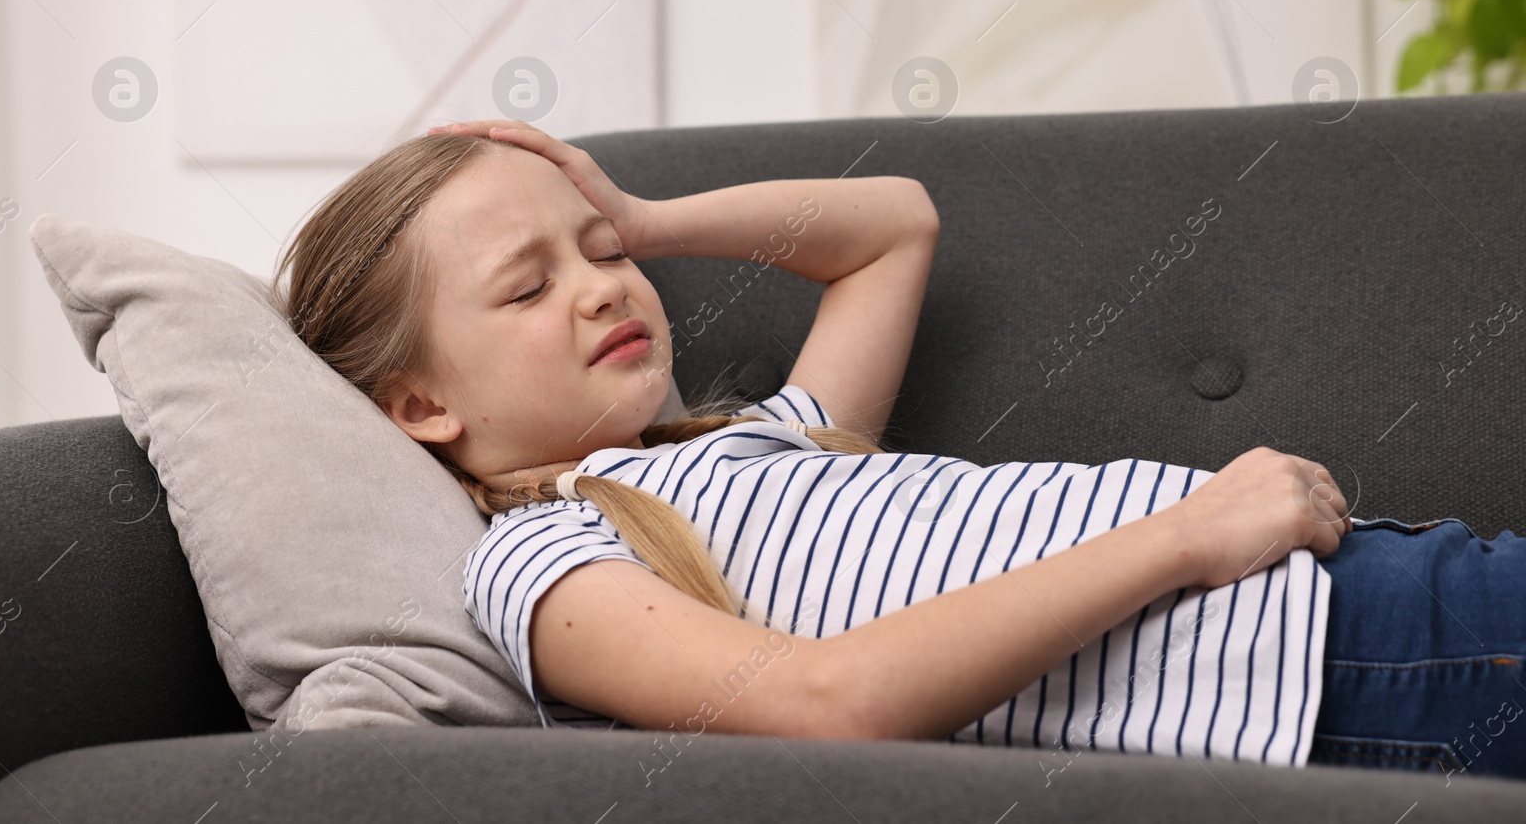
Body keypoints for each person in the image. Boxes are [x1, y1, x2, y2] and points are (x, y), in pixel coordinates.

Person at [273, 119, 1526, 784]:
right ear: (420, 402)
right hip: (1323, 669)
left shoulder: (761, 439)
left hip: (1357, 590)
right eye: (526, 285)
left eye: (602, 254)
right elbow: (836, 705)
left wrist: (643, 209)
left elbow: (891, 227)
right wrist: (1193, 534)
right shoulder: (545, 556)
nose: (602, 287)